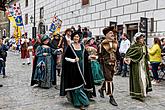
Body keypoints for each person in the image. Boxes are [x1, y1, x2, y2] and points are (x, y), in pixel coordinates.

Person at [60, 31, 95, 110]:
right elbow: (65, 58)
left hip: (82, 68)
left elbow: (85, 56)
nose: (76, 38)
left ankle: (80, 101)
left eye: (78, 37)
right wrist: (73, 60)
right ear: (73, 37)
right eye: (75, 36)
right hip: (73, 69)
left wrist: (90, 57)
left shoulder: (82, 46)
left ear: (80, 38)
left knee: (81, 84)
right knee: (76, 86)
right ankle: (78, 102)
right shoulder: (70, 47)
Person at [124, 32, 152, 101]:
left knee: (144, 78)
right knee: (139, 78)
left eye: (142, 38)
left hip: (143, 65)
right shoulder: (133, 46)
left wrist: (148, 61)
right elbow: (128, 54)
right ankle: (138, 93)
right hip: (136, 65)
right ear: (137, 39)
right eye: (140, 38)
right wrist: (128, 59)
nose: (142, 39)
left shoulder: (144, 46)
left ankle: (144, 92)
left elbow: (146, 55)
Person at [98, 26, 118, 106]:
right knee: (109, 79)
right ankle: (111, 97)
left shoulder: (115, 43)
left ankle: (101, 89)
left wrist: (123, 59)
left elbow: (117, 53)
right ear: (106, 35)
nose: (112, 34)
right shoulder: (102, 44)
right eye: (110, 33)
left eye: (112, 33)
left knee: (109, 78)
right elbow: (99, 54)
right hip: (105, 64)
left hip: (113, 63)